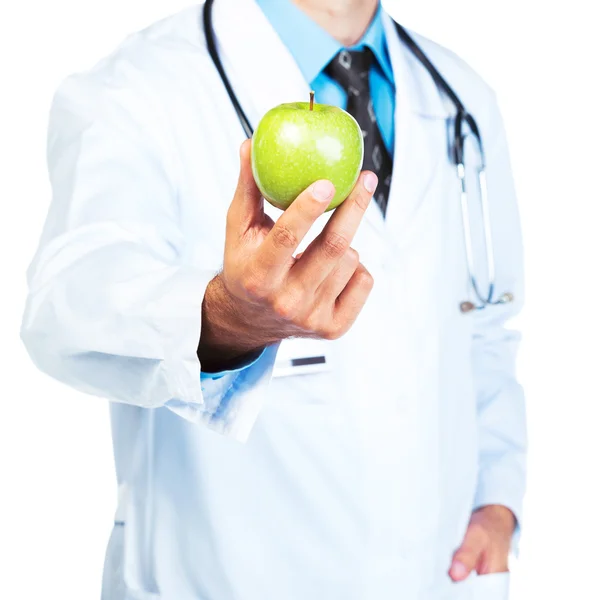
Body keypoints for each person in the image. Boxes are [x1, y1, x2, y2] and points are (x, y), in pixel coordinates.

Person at [21, 0, 527, 598]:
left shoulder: (461, 94)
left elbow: (485, 325)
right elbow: (66, 303)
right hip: (224, 572)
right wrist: (227, 319)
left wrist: (498, 499)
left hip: (435, 569)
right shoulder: (136, 85)